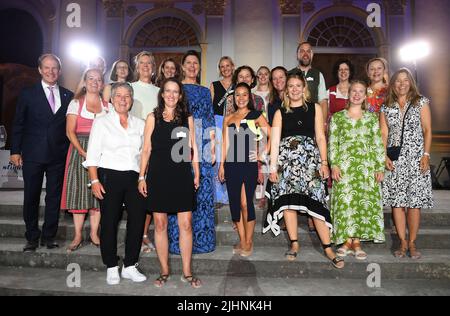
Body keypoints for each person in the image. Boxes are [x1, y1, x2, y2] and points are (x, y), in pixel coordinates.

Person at [263, 73, 344, 269]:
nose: (295, 89)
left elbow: (321, 138)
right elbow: (274, 141)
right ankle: (294, 244)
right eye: (291, 86)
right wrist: (272, 167)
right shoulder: (280, 112)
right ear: (287, 90)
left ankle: (328, 248)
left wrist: (324, 162)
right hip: (287, 163)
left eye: (298, 85)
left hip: (310, 162)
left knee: (316, 203)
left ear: (304, 89)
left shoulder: (315, 109)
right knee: (289, 205)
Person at [138, 78, 202, 288]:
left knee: (186, 225)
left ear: (180, 95)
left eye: (176, 92)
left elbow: (193, 148)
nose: (172, 95)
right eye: (168, 91)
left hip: (181, 176)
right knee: (160, 224)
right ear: (162, 94)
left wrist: (196, 173)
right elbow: (146, 149)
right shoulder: (152, 117)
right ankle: (164, 271)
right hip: (157, 176)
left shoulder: (187, 118)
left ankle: (187, 272)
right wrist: (141, 176)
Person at [84, 82, 147, 285]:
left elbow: (146, 154)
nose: (122, 99)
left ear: (131, 99)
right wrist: (94, 180)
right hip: (109, 175)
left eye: (127, 96)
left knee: (137, 220)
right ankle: (111, 265)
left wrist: (143, 177)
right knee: (109, 221)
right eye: (118, 95)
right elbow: (93, 154)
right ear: (111, 99)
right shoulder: (102, 122)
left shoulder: (141, 123)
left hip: (135, 177)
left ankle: (130, 265)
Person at [10, 53, 74, 252]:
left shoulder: (68, 95)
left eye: (54, 68)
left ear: (59, 71)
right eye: (46, 67)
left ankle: (48, 236)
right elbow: (18, 123)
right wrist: (15, 151)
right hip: (33, 154)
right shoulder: (28, 93)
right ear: (39, 70)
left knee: (54, 197)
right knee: (31, 196)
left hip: (58, 155)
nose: (51, 71)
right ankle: (31, 237)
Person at [380, 68, 433, 259]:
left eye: (405, 80)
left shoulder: (421, 102)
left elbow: (427, 130)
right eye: (398, 81)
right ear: (393, 84)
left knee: (414, 203)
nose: (402, 84)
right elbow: (383, 134)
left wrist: (426, 154)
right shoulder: (386, 106)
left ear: (411, 82)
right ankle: (402, 242)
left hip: (417, 158)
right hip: (395, 160)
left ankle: (412, 243)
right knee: (397, 203)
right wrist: (383, 156)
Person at [329, 80, 385, 260]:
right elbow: (333, 144)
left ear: (365, 95)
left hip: (366, 168)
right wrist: (334, 164)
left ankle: (357, 241)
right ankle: (346, 240)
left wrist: (379, 166)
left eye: (361, 91)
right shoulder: (337, 117)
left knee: (361, 202)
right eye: (354, 91)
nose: (357, 94)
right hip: (344, 168)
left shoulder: (371, 118)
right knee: (346, 203)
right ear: (349, 93)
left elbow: (377, 144)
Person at [168, 50, 216, 254]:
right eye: (188, 62)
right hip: (180, 139)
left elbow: (210, 119)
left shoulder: (206, 91)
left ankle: (202, 241)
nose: (192, 66)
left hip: (203, 141)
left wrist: (212, 147)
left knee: (203, 191)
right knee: (179, 188)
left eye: (195, 63)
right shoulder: (176, 89)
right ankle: (177, 241)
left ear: (199, 67)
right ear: (182, 66)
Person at [61, 68, 111, 253]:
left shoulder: (108, 106)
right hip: (80, 149)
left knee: (97, 196)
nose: (94, 82)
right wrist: (84, 152)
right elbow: (69, 131)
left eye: (98, 79)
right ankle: (77, 234)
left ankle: (94, 234)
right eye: (91, 78)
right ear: (85, 81)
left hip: (102, 153)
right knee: (80, 193)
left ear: (102, 84)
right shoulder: (76, 103)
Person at [219, 82, 270, 257]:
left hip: (248, 165)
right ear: (233, 97)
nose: (241, 98)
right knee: (235, 205)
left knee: (246, 203)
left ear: (250, 97)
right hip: (231, 164)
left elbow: (272, 134)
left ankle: (249, 241)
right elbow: (225, 144)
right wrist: (221, 166)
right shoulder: (228, 119)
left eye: (244, 95)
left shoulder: (255, 115)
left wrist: (262, 154)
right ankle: (242, 240)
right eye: (238, 95)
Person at [289, 42, 328, 232]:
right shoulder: (291, 73)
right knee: (293, 173)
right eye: (301, 51)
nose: (305, 54)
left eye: (308, 51)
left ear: (311, 54)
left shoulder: (318, 74)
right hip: (293, 125)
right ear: (297, 54)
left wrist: (323, 124)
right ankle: (292, 214)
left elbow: (322, 100)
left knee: (310, 172)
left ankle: (313, 215)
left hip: (311, 124)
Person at [130, 51, 160, 253]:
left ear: (153, 67)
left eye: (149, 63)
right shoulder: (129, 88)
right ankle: (135, 236)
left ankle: (144, 234)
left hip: (153, 147)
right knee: (135, 194)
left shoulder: (159, 91)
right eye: (142, 63)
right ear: (136, 66)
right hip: (132, 147)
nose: (145, 66)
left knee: (148, 192)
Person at [209, 56, 235, 205]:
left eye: (227, 66)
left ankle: (231, 192)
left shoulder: (238, 85)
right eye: (222, 66)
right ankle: (218, 195)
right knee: (218, 158)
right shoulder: (214, 85)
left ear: (232, 67)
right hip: (218, 122)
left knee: (231, 156)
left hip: (233, 123)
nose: (225, 69)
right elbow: (210, 107)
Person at [325, 59, 354, 128]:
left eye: (346, 69)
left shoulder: (356, 90)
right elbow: (325, 114)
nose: (343, 71)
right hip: (335, 129)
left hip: (353, 128)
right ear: (336, 72)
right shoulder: (330, 91)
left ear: (350, 72)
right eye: (340, 69)